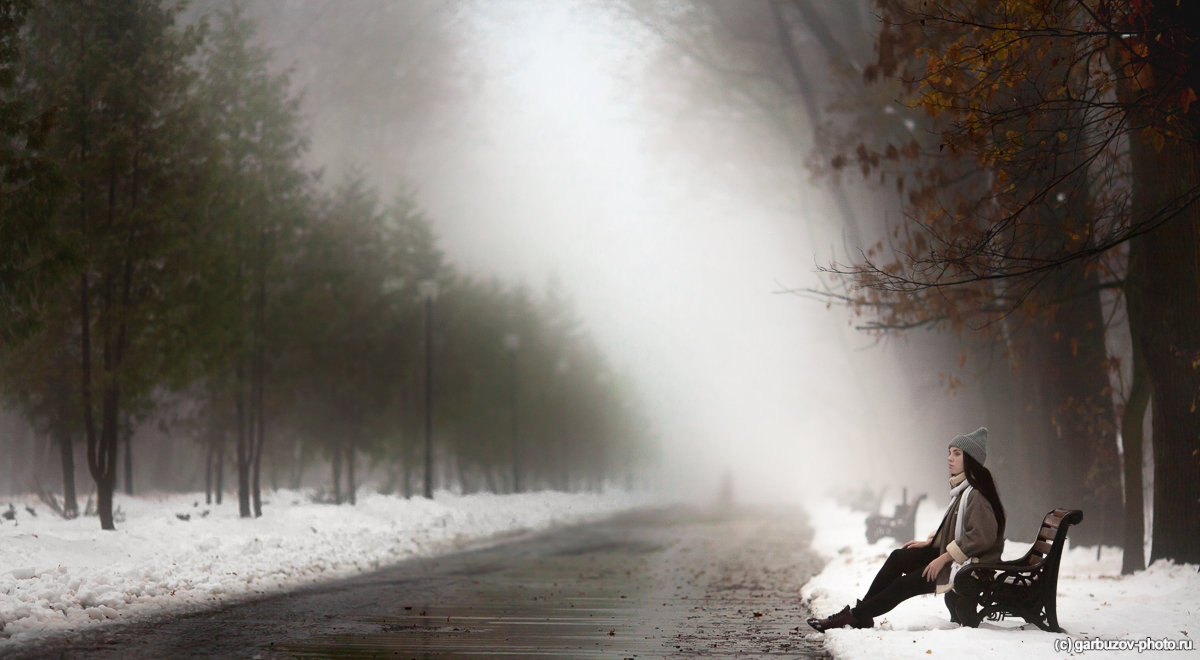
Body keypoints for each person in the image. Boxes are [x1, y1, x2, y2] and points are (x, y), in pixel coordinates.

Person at [807, 427, 1006, 631]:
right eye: (949, 453)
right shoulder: (964, 490)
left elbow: (982, 537)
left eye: (957, 454)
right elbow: (956, 529)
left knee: (905, 585)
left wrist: (944, 558)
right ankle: (860, 614)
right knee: (898, 557)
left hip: (970, 567)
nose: (949, 458)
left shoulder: (977, 495)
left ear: (971, 459)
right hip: (958, 558)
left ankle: (855, 616)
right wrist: (931, 543)